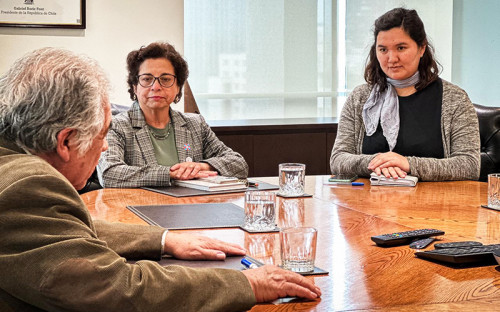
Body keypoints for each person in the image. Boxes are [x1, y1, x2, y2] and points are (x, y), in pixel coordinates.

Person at [0, 47, 321, 311]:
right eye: (101, 135)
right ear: (65, 142)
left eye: (165, 79)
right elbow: (118, 289)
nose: (106, 144)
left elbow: (68, 227)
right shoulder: (29, 184)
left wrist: (164, 240)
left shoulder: (18, 172)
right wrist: (246, 283)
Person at [330, 8, 480, 181]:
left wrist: (408, 163)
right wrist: (379, 162)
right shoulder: (359, 97)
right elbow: (338, 159)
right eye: (383, 50)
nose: (391, 58)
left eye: (401, 48)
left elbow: (469, 165)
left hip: (434, 204)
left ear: (422, 48)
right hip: (369, 202)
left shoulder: (455, 99)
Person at [97, 42, 248, 188]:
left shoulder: (195, 124)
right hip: (136, 209)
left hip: (190, 209)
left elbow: (239, 165)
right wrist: (169, 174)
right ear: (135, 87)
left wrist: (203, 166)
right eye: (147, 79)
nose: (156, 87)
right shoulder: (116, 125)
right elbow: (109, 174)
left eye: (165, 79)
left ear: (178, 87)